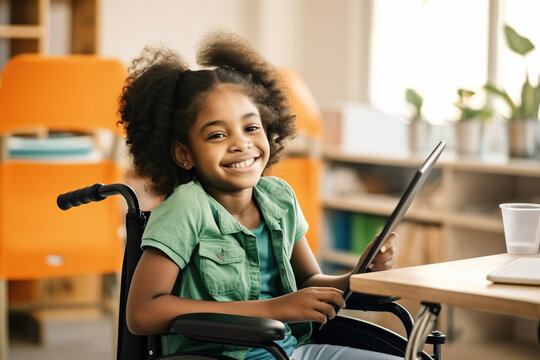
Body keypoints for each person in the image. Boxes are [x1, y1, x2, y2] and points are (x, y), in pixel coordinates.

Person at [120, 31, 399, 360]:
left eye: (251, 128)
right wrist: (276, 307)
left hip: (290, 350)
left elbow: (309, 280)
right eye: (217, 134)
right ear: (185, 154)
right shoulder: (186, 208)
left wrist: (357, 275)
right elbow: (142, 314)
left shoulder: (278, 198)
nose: (241, 143)